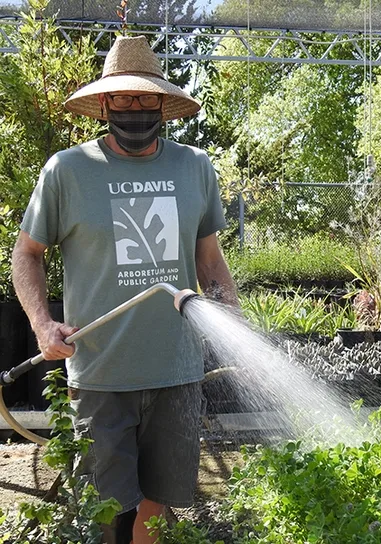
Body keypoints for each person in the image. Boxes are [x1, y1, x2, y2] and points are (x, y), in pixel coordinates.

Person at [11, 35, 238, 544]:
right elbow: (25, 253)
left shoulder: (194, 166)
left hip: (175, 370)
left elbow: (208, 258)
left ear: (163, 102)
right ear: (105, 104)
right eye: (124, 99)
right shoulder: (67, 171)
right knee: (106, 512)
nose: (135, 108)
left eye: (145, 98)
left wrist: (231, 317)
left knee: (158, 506)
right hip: (100, 374)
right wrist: (42, 323)